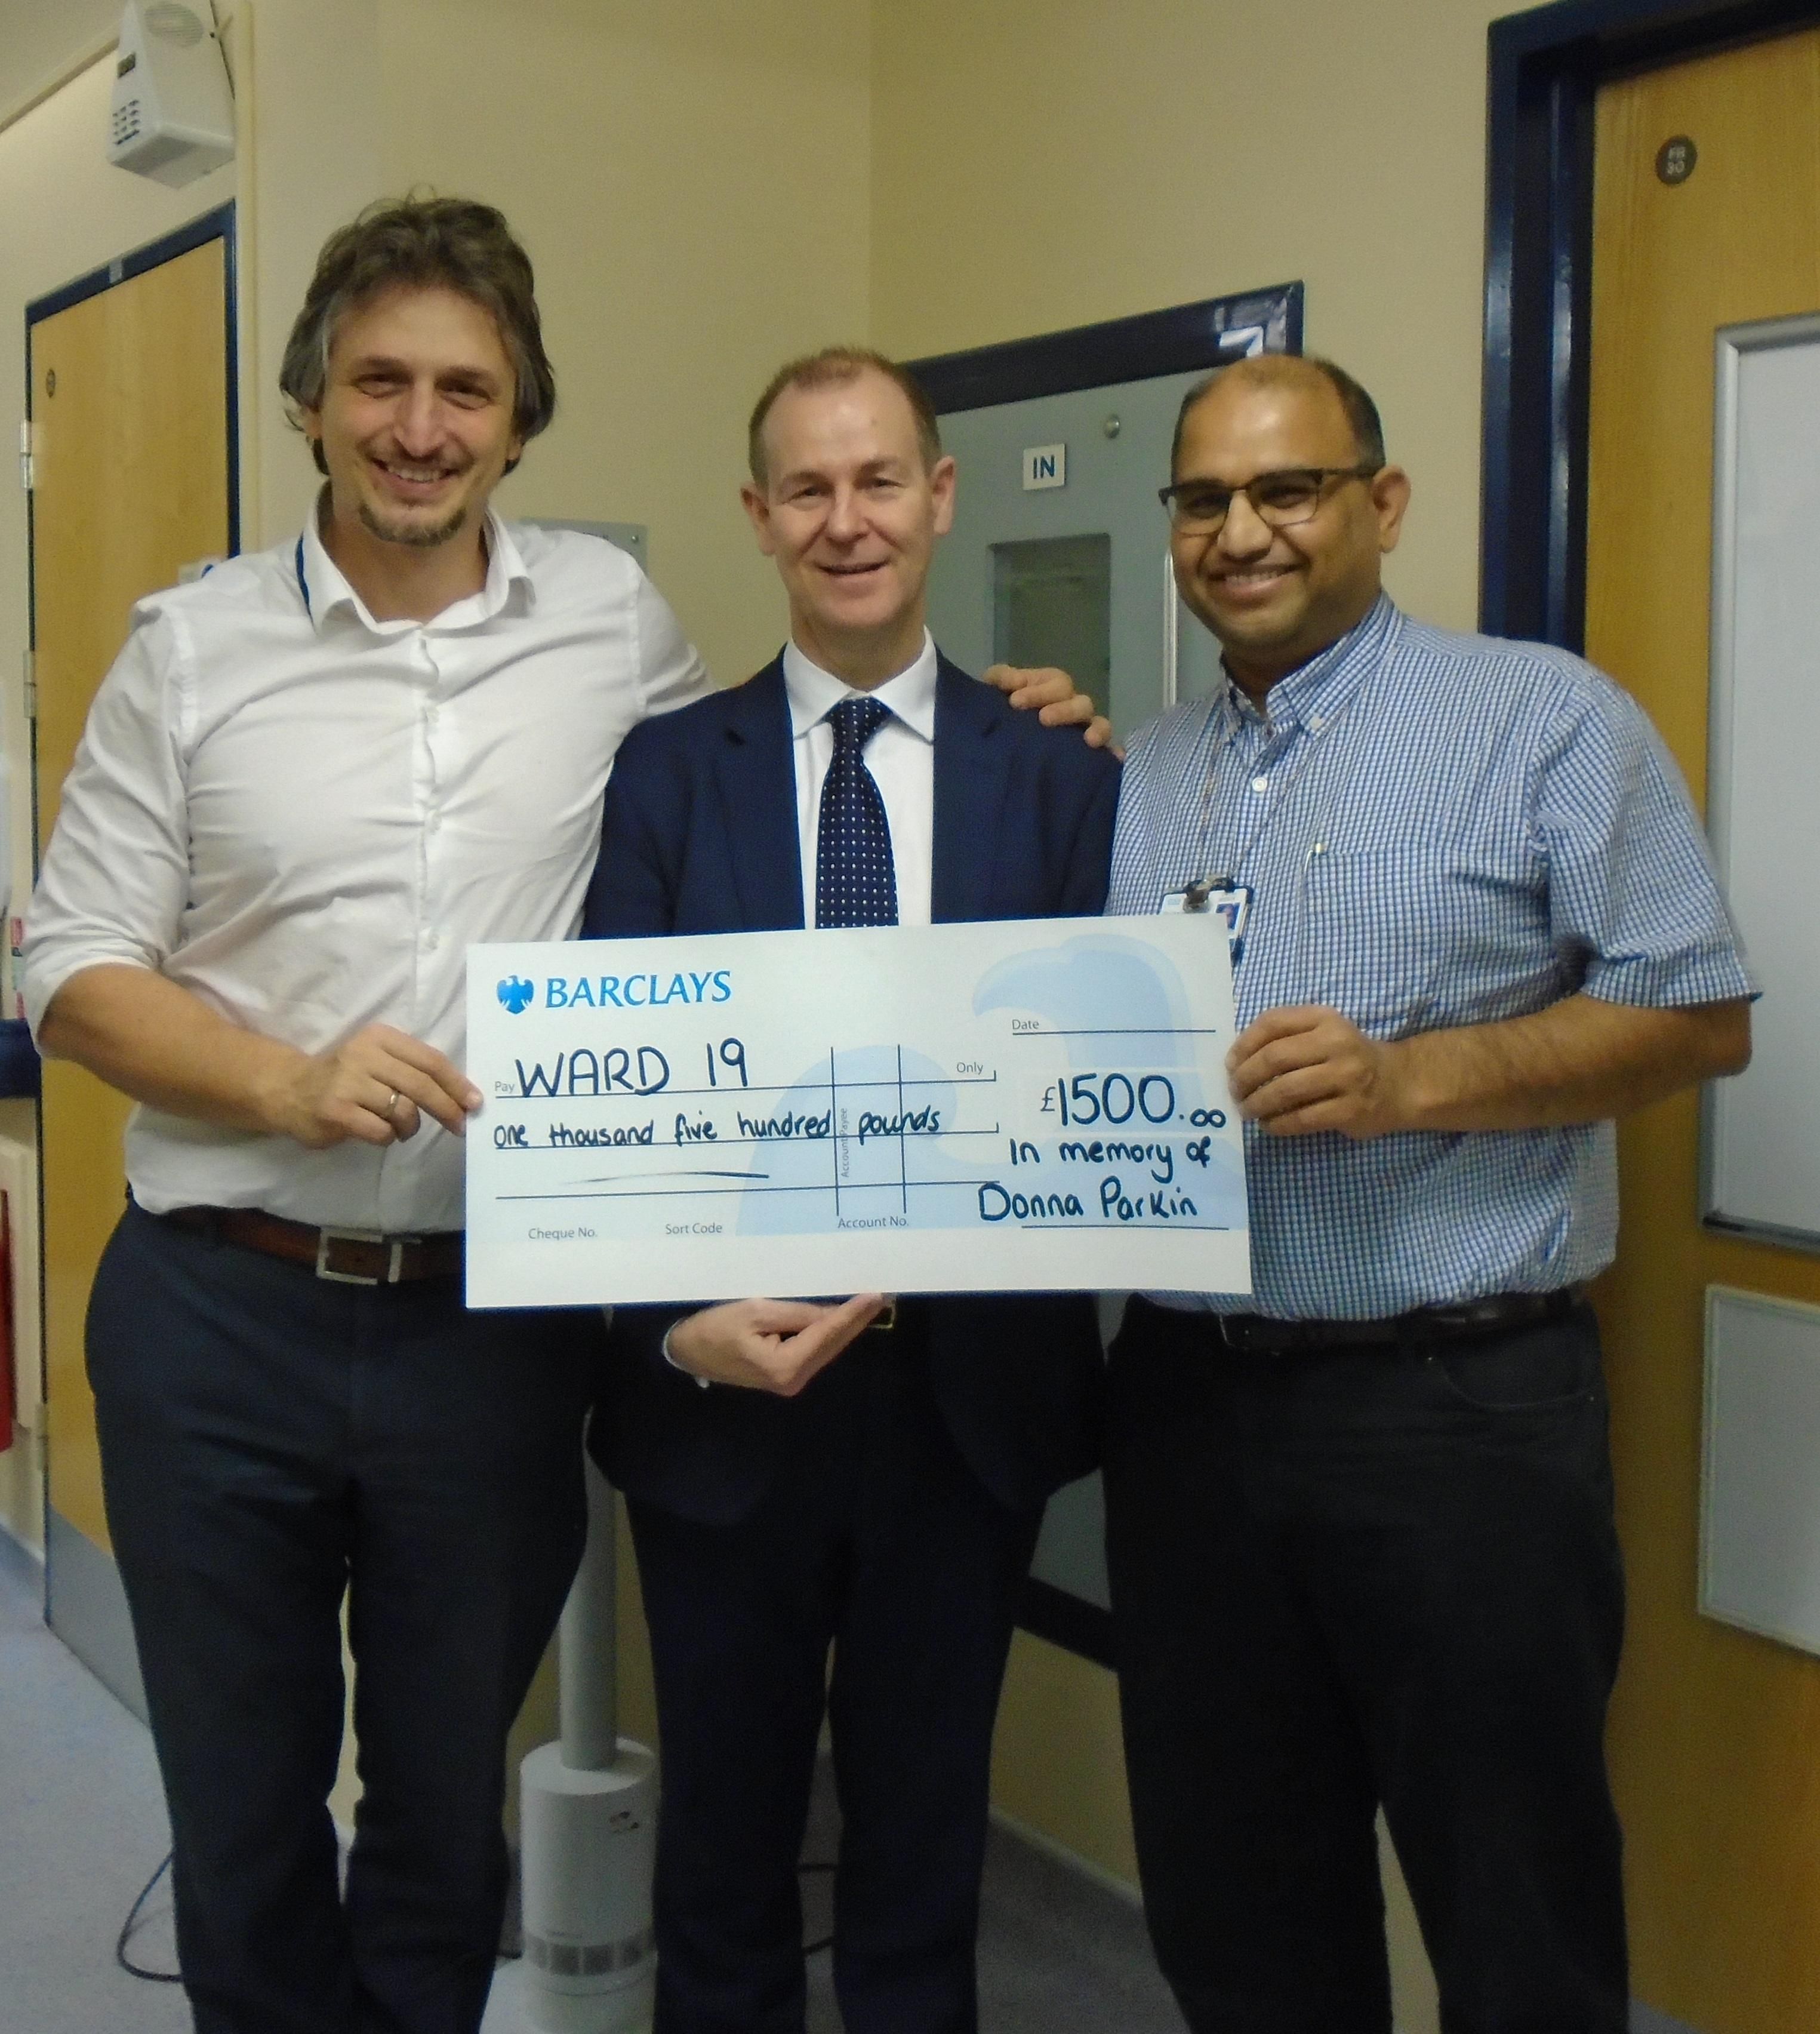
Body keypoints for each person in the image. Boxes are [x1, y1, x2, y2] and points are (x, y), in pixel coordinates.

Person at [21, 199, 1095, 2034]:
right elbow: (68, 966)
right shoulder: (189, 649)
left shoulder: (612, 629)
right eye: (380, 382)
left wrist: (1011, 717)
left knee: (445, 1808)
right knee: (244, 1806)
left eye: (465, 388)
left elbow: (755, 806)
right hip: (222, 1307)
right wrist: (284, 1080)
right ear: (309, 400)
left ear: (519, 420)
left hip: (487, 1319)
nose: (418, 426)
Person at [1101, 352, 1754, 2034]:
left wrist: (1412, 1081)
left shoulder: (1542, 720)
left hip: (1454, 1409)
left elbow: (1699, 1014)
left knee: (1512, 1906)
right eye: (1203, 499)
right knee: (1235, 1910)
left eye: (1287, 489)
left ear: (1380, 505)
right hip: (1184, 1410)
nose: (1241, 531)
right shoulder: (1144, 766)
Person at [582, 347, 1121, 2034]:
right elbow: (615, 1110)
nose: (846, 520)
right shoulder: (669, 773)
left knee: (921, 1853)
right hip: (725, 1399)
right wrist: (674, 1328)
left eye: (879, 480)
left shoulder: (1065, 773)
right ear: (758, 517)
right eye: (806, 489)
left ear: (939, 497)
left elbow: (1111, 1077)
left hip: (964, 1413)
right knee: (722, 1854)